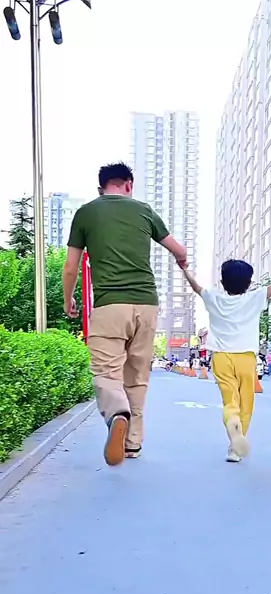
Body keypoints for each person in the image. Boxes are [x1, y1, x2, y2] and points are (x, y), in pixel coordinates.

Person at [63, 162, 187, 466]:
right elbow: (179, 249)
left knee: (106, 373)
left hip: (110, 306)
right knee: (137, 377)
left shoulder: (86, 213)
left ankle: (118, 413)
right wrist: (182, 262)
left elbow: (70, 268)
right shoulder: (143, 210)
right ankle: (132, 444)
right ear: (129, 184)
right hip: (147, 305)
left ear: (100, 188)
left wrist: (69, 299)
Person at [178, 257, 271, 461]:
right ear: (249, 283)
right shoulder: (255, 297)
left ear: (222, 282)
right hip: (246, 357)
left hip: (221, 357)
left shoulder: (214, 297)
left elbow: (196, 287)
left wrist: (185, 269)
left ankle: (231, 420)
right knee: (246, 403)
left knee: (230, 401)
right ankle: (235, 449)